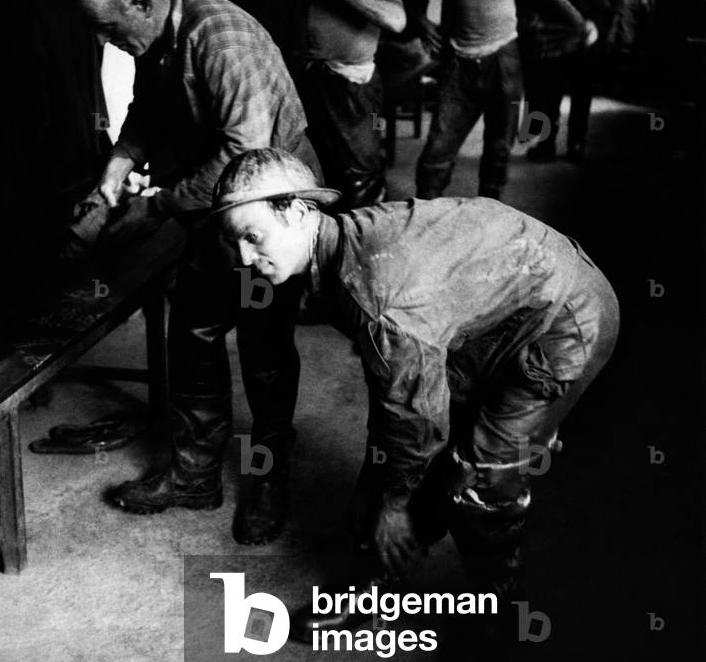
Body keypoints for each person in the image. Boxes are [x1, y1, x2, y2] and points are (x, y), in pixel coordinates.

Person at [211, 148, 619, 637]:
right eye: (235, 243)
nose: (244, 259)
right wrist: (388, 493)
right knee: (398, 458)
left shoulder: (375, 296)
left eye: (253, 238)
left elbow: (417, 418)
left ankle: (501, 621)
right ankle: (379, 586)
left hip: (564, 320)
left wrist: (395, 505)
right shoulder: (340, 245)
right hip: (497, 310)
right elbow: (400, 406)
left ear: (299, 212)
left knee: (479, 481)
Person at [77, 0, 321, 545]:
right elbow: (147, 112)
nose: (109, 42)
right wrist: (121, 159)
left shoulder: (222, 42)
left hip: (270, 209)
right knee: (192, 333)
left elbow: (245, 159)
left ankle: (268, 477)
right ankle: (193, 474)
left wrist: (156, 207)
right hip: (213, 208)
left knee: (264, 348)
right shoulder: (158, 33)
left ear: (141, 2)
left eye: (111, 28)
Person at [415, 0, 588, 200]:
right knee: (436, 153)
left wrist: (580, 25)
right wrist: (421, 21)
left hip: (503, 64)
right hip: (459, 64)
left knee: (498, 150)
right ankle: (424, 216)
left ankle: (492, 213)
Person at [299, 0, 406, 208]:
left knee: (362, 179)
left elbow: (397, 20)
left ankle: (367, 253)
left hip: (352, 87)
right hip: (315, 78)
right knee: (320, 174)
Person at [521, 0, 623, 163]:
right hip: (578, 25)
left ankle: (557, 145)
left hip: (573, 24)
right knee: (573, 88)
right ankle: (567, 144)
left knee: (559, 88)